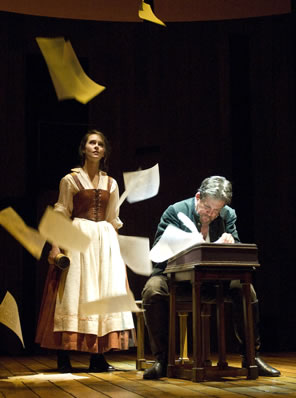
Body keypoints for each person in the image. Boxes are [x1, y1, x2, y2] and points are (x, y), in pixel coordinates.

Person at [142, 175, 280, 379]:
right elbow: (158, 254)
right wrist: (184, 245)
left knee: (245, 289)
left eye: (217, 210)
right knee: (152, 290)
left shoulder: (227, 215)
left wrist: (231, 242)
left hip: (214, 280)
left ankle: (251, 357)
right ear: (198, 197)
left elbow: (239, 253)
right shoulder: (175, 211)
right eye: (208, 208)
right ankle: (163, 359)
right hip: (177, 280)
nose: (212, 214)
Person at [35, 129, 135, 373]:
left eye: (101, 144)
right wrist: (56, 246)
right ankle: (63, 355)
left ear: (104, 151)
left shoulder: (111, 183)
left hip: (105, 243)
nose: (96, 147)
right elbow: (61, 214)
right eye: (92, 143)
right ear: (83, 149)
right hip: (78, 238)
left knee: (101, 293)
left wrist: (118, 255)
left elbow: (113, 219)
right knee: (73, 293)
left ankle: (98, 356)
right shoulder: (70, 180)